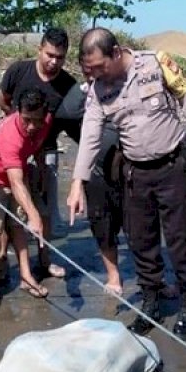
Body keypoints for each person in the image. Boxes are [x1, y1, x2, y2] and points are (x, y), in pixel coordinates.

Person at [67, 28, 186, 341]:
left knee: (180, 238)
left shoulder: (156, 63)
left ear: (116, 52)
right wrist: (77, 182)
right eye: (88, 69)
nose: (93, 74)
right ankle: (151, 303)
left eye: (98, 66)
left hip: (173, 167)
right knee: (141, 241)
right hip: (135, 174)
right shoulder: (97, 89)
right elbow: (91, 136)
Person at [0, 27, 75, 280]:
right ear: (39, 49)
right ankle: (3, 263)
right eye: (49, 54)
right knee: (10, 204)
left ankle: (45, 260)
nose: (54, 61)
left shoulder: (67, 85)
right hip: (15, 148)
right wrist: (16, 129)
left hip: (47, 150)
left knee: (45, 209)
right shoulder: (19, 71)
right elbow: (3, 100)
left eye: (60, 57)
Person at [0, 88, 52, 302]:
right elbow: (15, 182)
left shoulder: (45, 121)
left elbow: (38, 146)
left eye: (38, 120)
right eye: (27, 120)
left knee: (18, 224)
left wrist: (41, 169)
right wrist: (35, 216)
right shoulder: (10, 135)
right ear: (18, 111)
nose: (32, 126)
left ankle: (26, 276)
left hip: (18, 170)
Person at [56, 63, 124, 294]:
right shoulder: (85, 91)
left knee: (140, 225)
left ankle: (154, 279)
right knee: (102, 224)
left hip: (129, 168)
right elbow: (66, 113)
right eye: (88, 71)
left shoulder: (123, 86)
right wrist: (87, 86)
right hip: (96, 171)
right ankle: (113, 275)